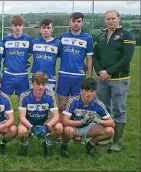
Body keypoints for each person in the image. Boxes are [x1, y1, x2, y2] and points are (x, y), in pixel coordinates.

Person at [93, 9, 136, 152]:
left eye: (113, 18)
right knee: (104, 110)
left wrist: (109, 72)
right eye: (108, 19)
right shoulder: (101, 36)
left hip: (120, 79)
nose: (110, 21)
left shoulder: (127, 35)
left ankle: (117, 142)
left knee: (119, 110)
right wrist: (100, 72)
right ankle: (107, 137)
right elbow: (96, 57)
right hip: (102, 79)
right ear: (105, 20)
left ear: (119, 18)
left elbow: (126, 58)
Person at [57, 12, 94, 141]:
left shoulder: (87, 38)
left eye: (79, 21)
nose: (76, 23)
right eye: (74, 21)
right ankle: (61, 131)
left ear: (82, 23)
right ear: (70, 22)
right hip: (64, 75)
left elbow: (89, 58)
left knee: (77, 106)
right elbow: (59, 54)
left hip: (79, 77)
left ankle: (74, 132)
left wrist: (89, 77)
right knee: (62, 105)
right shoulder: (62, 37)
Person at [59, 78, 115, 157]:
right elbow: (64, 121)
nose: (89, 94)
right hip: (74, 127)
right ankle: (64, 146)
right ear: (81, 91)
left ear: (95, 92)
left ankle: (91, 144)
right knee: (67, 130)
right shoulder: (73, 101)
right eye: (86, 90)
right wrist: (82, 122)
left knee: (110, 131)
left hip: (88, 128)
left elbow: (112, 123)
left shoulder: (98, 104)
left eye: (92, 91)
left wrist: (98, 121)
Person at [17, 72, 63, 157]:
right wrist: (31, 127)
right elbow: (22, 117)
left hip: (44, 122)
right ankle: (25, 145)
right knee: (21, 131)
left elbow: (56, 116)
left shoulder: (50, 95)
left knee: (59, 127)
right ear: (32, 84)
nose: (40, 87)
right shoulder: (24, 95)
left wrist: (46, 126)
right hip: (29, 122)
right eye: (38, 84)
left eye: (43, 84)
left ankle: (47, 144)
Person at [1, 15, 33, 97]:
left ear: (23, 26)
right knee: (5, 101)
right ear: (11, 26)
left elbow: (31, 53)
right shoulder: (6, 39)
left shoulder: (28, 39)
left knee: (22, 103)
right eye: (15, 25)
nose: (17, 27)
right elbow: (3, 54)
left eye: (19, 25)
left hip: (22, 75)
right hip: (8, 75)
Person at [30, 19, 61, 93]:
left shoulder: (58, 43)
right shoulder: (34, 42)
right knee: (33, 101)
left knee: (49, 103)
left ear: (52, 29)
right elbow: (25, 54)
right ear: (40, 29)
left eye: (48, 28)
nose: (46, 30)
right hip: (35, 79)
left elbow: (66, 57)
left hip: (50, 79)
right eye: (43, 28)